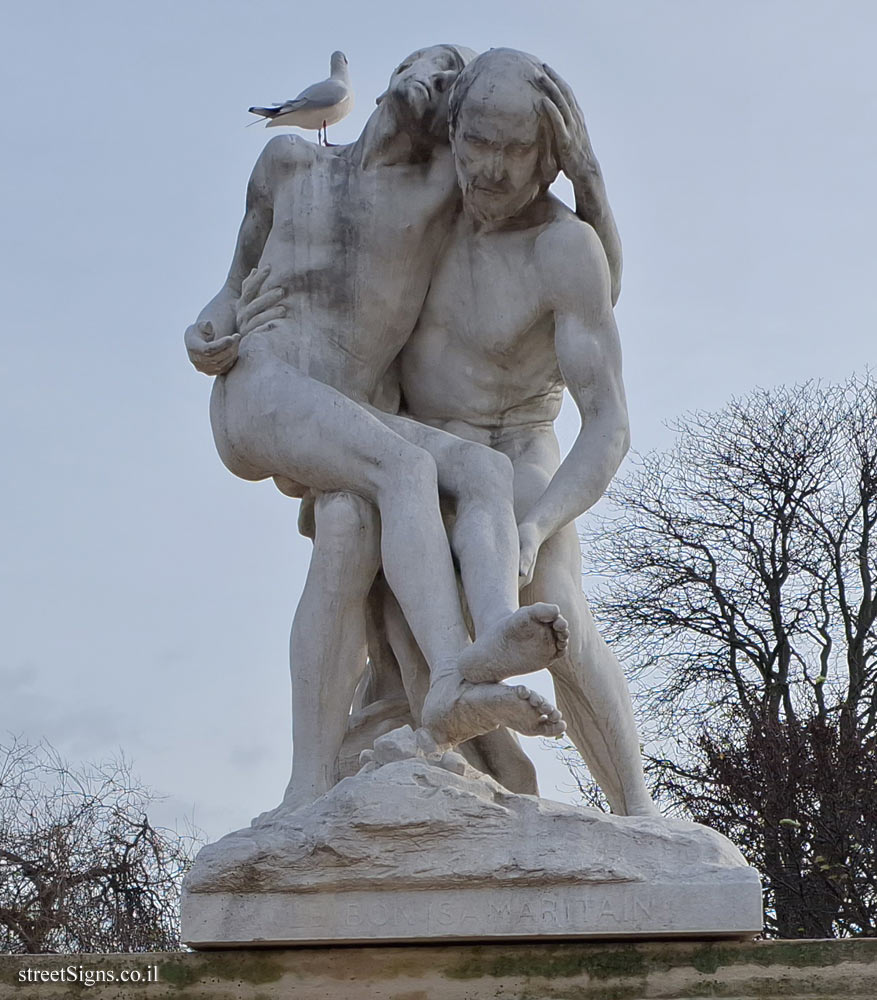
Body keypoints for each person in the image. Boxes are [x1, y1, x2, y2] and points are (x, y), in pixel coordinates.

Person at [184, 46, 572, 806]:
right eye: (426, 64)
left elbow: (548, 201)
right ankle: (450, 686)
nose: (430, 81)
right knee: (406, 472)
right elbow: (229, 286)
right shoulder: (288, 160)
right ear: (393, 74)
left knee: (449, 485)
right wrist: (204, 330)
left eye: (447, 81)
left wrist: (581, 168)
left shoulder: (442, 191)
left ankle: (491, 633)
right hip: (262, 385)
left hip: (350, 417)